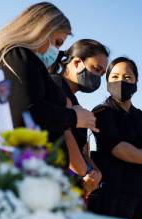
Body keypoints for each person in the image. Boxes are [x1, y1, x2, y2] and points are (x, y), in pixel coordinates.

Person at [0, 2, 91, 177]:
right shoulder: (19, 56)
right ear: (40, 30)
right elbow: (28, 113)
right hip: (28, 172)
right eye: (56, 42)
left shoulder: (17, 60)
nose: (56, 51)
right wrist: (74, 117)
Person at [88, 57, 142, 219]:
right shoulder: (102, 112)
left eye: (127, 77)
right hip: (111, 198)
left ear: (136, 81)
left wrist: (133, 152)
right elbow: (118, 149)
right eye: (115, 77)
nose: (121, 81)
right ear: (107, 80)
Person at [50, 39, 110, 191]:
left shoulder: (74, 100)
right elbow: (63, 138)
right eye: (96, 69)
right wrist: (86, 172)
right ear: (77, 63)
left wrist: (97, 173)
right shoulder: (56, 86)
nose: (98, 78)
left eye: (102, 73)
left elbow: (81, 149)